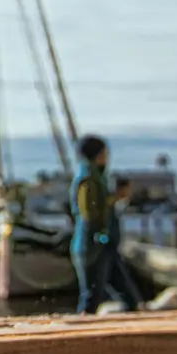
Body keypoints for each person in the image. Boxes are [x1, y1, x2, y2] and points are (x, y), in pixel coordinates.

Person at [70, 135, 114, 314]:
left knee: (96, 293)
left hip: (93, 243)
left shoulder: (94, 176)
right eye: (105, 153)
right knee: (90, 295)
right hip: (89, 245)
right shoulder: (88, 179)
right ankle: (83, 324)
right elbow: (89, 213)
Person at [103, 176, 144, 310]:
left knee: (118, 282)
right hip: (107, 249)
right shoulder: (109, 206)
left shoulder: (115, 207)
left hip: (112, 249)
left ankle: (133, 304)